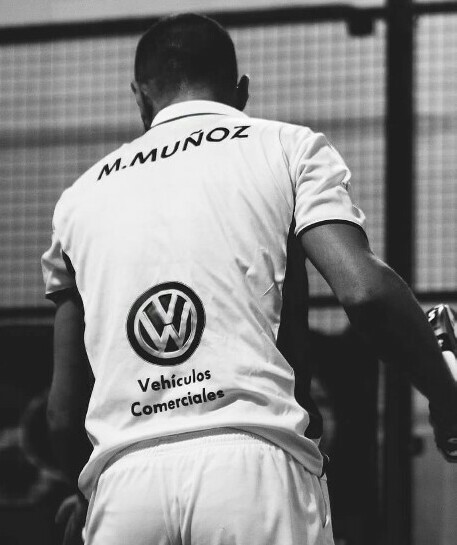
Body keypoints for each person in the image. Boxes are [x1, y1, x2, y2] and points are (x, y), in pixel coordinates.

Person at [41, 13, 457, 545]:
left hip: (124, 487)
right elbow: (364, 291)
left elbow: (61, 414)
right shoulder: (288, 147)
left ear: (140, 97)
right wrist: (445, 393)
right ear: (241, 92)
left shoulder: (77, 201)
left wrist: (86, 491)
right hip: (256, 470)